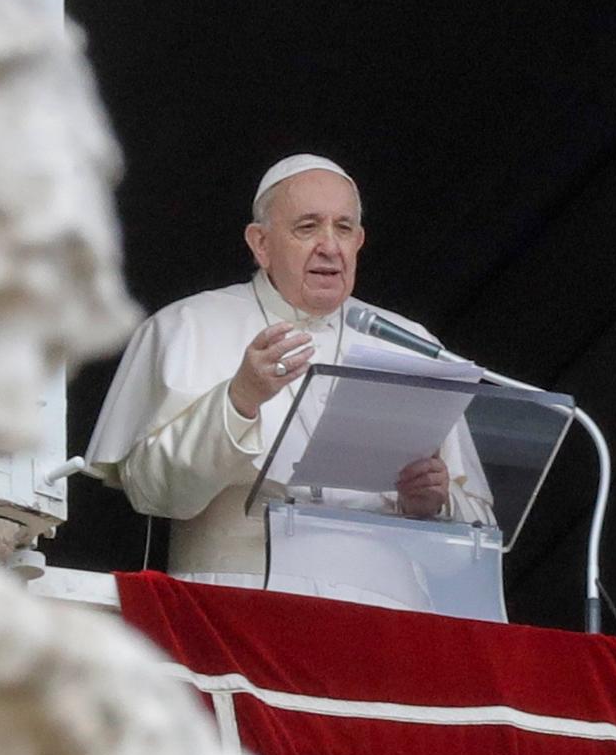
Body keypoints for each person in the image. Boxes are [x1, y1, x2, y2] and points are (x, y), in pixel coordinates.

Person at [85, 154, 494, 588]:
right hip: (236, 604)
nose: (330, 246)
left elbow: (477, 540)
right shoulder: (187, 325)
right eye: (308, 226)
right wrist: (239, 399)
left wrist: (435, 503)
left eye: (343, 227)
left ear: (359, 241)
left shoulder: (411, 343)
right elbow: (154, 493)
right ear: (261, 243)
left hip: (385, 615)